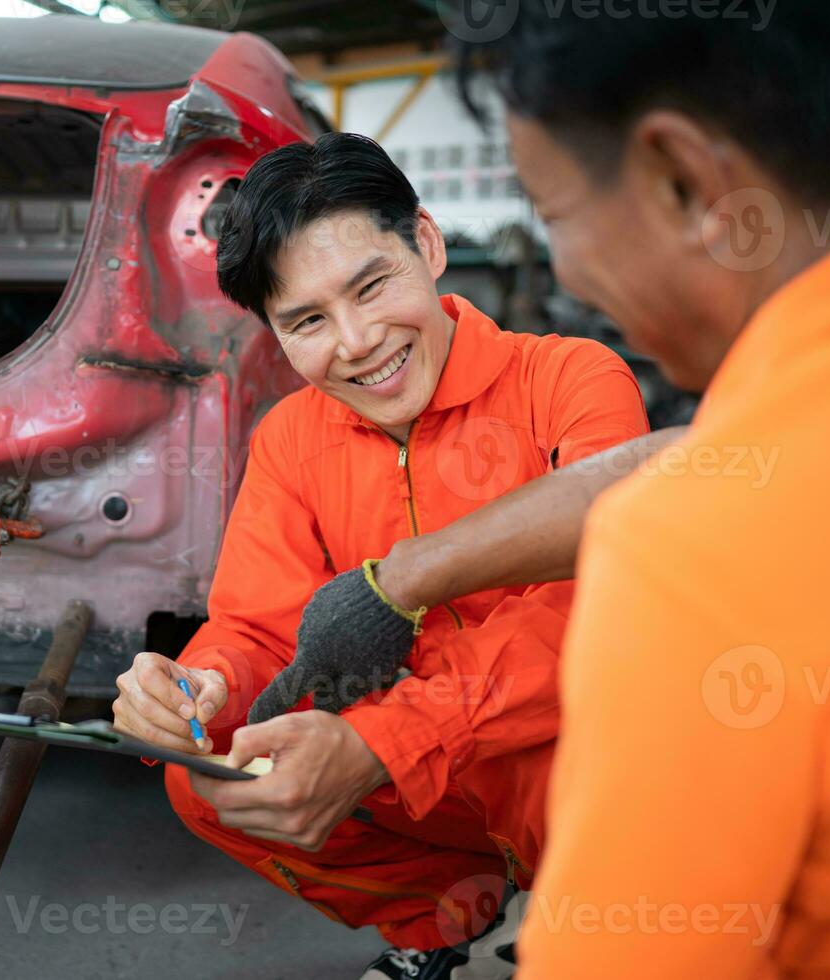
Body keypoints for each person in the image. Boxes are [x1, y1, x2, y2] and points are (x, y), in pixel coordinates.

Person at [311, 3, 830, 976]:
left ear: (683, 182)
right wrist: (407, 576)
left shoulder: (692, 555)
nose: (562, 265)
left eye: (554, 213)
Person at [110, 132, 650, 979]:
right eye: (307, 322)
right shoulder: (289, 438)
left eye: (371, 286)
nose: (357, 341)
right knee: (208, 781)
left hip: (570, 770)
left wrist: (382, 744)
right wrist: (199, 688)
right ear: (272, 335)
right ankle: (438, 924)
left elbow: (598, 613)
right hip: (411, 779)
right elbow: (257, 628)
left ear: (425, 246)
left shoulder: (570, 381)